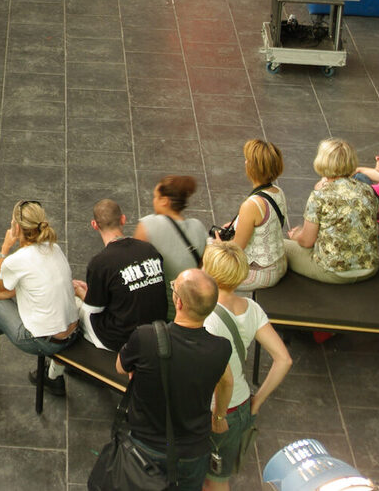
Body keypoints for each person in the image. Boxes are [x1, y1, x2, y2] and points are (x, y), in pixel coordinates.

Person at [116, 269, 234, 491]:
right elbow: (227, 382)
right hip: (192, 451)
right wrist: (219, 416)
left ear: (178, 303)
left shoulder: (146, 337)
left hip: (145, 445)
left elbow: (120, 367)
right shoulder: (221, 348)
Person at [0, 200, 79, 403]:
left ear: (17, 227)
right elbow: (13, 291)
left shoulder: (18, 260)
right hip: (70, 332)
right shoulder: (54, 248)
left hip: (43, 341)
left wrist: (5, 248)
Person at [202, 242, 293, 488]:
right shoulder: (252, 308)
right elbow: (283, 359)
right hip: (240, 406)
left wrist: (218, 414)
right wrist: (257, 402)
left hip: (213, 410)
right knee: (218, 475)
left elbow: (223, 379)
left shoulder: (206, 317)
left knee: (209, 479)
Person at [71, 198, 166, 355]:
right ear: (123, 219)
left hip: (121, 339)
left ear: (94, 225)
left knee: (72, 305)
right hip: (156, 331)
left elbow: (93, 309)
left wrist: (80, 292)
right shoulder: (149, 250)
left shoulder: (100, 263)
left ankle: (56, 371)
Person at [285, 138, 379, 283]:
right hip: (369, 267)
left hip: (335, 272)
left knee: (279, 246)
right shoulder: (367, 189)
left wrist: (296, 235)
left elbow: (306, 242)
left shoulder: (320, 196)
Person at [135, 174, 206, 315]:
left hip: (157, 309)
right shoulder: (198, 227)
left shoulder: (148, 225)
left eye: (156, 197)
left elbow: (133, 266)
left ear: (165, 201)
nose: (153, 201)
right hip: (188, 310)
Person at [228, 139, 289, 290]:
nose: (245, 162)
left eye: (247, 160)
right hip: (278, 262)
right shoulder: (278, 191)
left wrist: (219, 244)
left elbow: (236, 248)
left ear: (252, 167)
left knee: (206, 280)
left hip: (261, 273)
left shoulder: (251, 205)